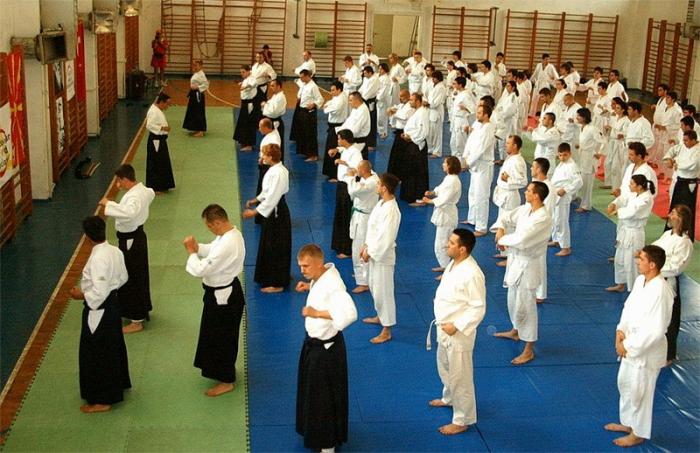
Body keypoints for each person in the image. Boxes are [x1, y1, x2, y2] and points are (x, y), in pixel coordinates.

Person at [605, 245, 673, 448]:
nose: (637, 260)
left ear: (652, 265)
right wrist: (620, 332)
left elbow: (656, 329)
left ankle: (639, 433)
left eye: (641, 258)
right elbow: (628, 308)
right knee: (625, 385)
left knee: (640, 392)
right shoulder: (641, 280)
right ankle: (628, 423)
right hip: (629, 342)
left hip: (645, 350)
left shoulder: (662, 291)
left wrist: (629, 347)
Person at [294, 244, 358, 452]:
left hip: (326, 352)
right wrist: (308, 286)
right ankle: (315, 432)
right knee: (313, 395)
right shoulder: (320, 277)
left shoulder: (334, 285)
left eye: (306, 266)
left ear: (319, 263)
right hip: (314, 346)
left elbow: (350, 314)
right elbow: (322, 294)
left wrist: (316, 313)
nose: (302, 270)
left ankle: (328, 444)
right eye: (300, 266)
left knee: (323, 399)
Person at [427, 228, 486, 435]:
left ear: (462, 249)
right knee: (444, 366)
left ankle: (462, 419)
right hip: (444, 327)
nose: (447, 245)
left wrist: (458, 326)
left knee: (460, 377)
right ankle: (449, 397)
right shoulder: (454, 264)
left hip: (458, 332)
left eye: (451, 243)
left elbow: (478, 307)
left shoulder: (472, 274)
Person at [69, 216, 130, 413]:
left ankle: (103, 400)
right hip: (113, 304)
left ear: (87, 237)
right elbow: (123, 278)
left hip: (99, 308)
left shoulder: (98, 258)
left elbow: (100, 291)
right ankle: (118, 384)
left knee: (96, 353)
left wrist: (82, 295)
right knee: (113, 346)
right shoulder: (115, 251)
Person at [183, 204, 246, 397]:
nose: (209, 229)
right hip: (220, 295)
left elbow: (201, 269)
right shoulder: (228, 235)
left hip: (224, 298)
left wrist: (192, 252)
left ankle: (226, 380)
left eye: (209, 226)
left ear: (217, 222)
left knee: (223, 338)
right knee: (214, 336)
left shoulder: (229, 242)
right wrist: (198, 247)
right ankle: (221, 371)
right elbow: (213, 248)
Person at [493, 182, 552, 365]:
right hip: (516, 262)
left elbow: (523, 239)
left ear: (536, 196)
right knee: (512, 301)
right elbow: (507, 215)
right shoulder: (527, 209)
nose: (525, 192)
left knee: (526, 306)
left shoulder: (542, 218)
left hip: (528, 264)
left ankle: (529, 349)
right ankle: (516, 330)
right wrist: (501, 228)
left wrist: (502, 239)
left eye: (528, 190)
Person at [99, 164, 155, 334]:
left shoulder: (134, 197)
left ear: (124, 179)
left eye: (119, 181)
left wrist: (109, 204)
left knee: (131, 276)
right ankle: (139, 309)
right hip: (137, 237)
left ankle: (136, 320)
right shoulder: (144, 190)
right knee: (136, 273)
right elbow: (151, 193)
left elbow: (130, 213)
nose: (118, 185)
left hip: (131, 240)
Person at [243, 144, 291, 292]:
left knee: (274, 245)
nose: (262, 157)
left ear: (271, 157)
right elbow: (267, 192)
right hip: (273, 211)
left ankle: (277, 283)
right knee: (270, 244)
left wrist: (255, 212)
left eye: (264, 155)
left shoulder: (278, 173)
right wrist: (256, 199)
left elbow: (273, 198)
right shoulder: (275, 170)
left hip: (276, 212)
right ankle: (272, 275)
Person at [361, 173, 401, 344]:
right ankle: (380, 316)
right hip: (373, 251)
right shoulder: (381, 203)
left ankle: (387, 329)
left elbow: (386, 237)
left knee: (384, 291)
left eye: (379, 184)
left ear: (384, 188)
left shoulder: (392, 210)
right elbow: (373, 229)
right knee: (374, 287)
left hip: (383, 256)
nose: (377, 186)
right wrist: (365, 245)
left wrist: (371, 252)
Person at [653, 205, 694, 365]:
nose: (669, 215)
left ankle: (669, 354)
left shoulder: (685, 242)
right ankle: (656, 347)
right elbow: (654, 249)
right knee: (656, 316)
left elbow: (676, 267)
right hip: (656, 278)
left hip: (668, 281)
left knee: (669, 318)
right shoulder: (667, 235)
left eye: (673, 214)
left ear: (681, 219)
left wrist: (656, 267)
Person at [606, 175, 655, 293]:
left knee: (632, 264)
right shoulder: (634, 194)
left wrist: (617, 211)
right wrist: (614, 204)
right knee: (619, 259)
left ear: (639, 186)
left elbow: (633, 212)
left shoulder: (646, 199)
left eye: (632, 184)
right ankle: (620, 284)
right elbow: (623, 198)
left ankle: (635, 290)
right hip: (625, 232)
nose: (629, 185)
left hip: (635, 234)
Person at [422, 156, 462, 274]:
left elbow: (445, 198)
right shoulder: (449, 178)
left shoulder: (453, 181)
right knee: (442, 242)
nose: (443, 164)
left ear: (450, 166)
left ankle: (447, 269)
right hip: (445, 213)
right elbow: (441, 190)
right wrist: (433, 192)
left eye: (445, 163)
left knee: (443, 243)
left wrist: (429, 201)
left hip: (447, 215)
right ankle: (445, 265)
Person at [328, 130, 364, 259]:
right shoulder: (347, 149)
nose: (338, 141)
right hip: (341, 185)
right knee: (340, 214)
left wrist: (344, 163)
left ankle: (347, 248)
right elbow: (341, 149)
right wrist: (336, 150)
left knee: (346, 215)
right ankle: (338, 244)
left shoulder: (356, 153)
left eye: (339, 139)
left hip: (348, 186)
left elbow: (358, 170)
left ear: (345, 139)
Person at [463, 104, 496, 236]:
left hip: (484, 164)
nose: (477, 115)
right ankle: (472, 219)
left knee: (481, 196)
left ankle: (481, 227)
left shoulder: (489, 128)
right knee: (472, 193)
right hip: (475, 164)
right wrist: (465, 157)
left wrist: (468, 162)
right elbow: (470, 141)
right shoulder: (477, 125)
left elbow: (481, 148)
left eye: (480, 113)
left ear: (487, 115)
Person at [663, 130, 699, 237]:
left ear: (693, 140)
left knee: (686, 210)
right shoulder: (683, 146)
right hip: (679, 180)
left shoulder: (698, 150)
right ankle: (670, 231)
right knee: (675, 207)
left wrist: (676, 162)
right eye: (683, 140)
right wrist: (669, 158)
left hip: (689, 183)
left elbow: (693, 164)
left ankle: (685, 233)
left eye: (686, 140)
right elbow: (673, 150)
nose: (684, 142)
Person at [550, 143, 583, 257]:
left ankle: (566, 247)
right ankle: (556, 240)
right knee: (555, 219)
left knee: (562, 221)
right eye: (560, 155)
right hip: (556, 193)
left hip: (563, 196)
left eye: (565, 155)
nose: (562, 157)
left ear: (570, 153)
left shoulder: (572, 166)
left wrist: (566, 189)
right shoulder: (562, 164)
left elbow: (579, 182)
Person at [531, 158, 554, 303]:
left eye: (533, 167)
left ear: (539, 169)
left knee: (539, 259)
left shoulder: (548, 188)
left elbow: (547, 210)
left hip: (541, 226)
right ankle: (535, 289)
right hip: (535, 224)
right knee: (534, 259)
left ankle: (540, 293)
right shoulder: (539, 185)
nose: (531, 169)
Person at [400, 93, 430, 204]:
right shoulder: (417, 112)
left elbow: (424, 132)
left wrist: (411, 138)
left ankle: (419, 197)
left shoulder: (423, 113)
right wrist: (406, 135)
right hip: (411, 144)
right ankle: (410, 194)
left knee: (418, 172)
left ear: (418, 101)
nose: (410, 102)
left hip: (417, 145)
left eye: (411, 100)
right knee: (409, 171)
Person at [492, 135, 528, 230]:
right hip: (504, 196)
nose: (505, 145)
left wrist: (508, 179)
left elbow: (523, 181)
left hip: (510, 198)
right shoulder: (511, 157)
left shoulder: (518, 161)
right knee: (502, 226)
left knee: (509, 227)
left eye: (508, 143)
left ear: (515, 146)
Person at [575, 108, 605, 213]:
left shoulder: (592, 129)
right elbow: (586, 141)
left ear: (584, 117)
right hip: (582, 156)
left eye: (579, 115)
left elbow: (603, 141)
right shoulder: (582, 127)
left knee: (587, 183)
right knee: (581, 179)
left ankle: (586, 205)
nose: (577, 117)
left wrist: (599, 153)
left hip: (589, 158)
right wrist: (580, 145)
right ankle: (580, 198)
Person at [145, 93, 175, 193]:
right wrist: (163, 128)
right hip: (156, 141)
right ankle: (155, 187)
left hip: (160, 139)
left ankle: (163, 184)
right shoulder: (154, 111)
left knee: (162, 162)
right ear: (161, 102)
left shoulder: (157, 110)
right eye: (167, 104)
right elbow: (149, 125)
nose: (167, 107)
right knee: (155, 163)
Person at [295, 70, 324, 162]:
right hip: (302, 110)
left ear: (308, 76)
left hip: (309, 112)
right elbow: (300, 94)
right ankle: (305, 152)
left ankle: (313, 155)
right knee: (303, 132)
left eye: (302, 77)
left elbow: (320, 99)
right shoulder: (304, 84)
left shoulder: (313, 86)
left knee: (310, 133)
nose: (301, 78)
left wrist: (314, 104)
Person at [386, 89, 415, 181]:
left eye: (402, 96)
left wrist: (394, 113)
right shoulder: (402, 105)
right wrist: (391, 110)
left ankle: (400, 176)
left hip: (404, 133)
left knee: (401, 155)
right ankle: (394, 175)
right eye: (399, 96)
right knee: (396, 155)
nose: (400, 98)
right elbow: (394, 108)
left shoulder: (410, 107)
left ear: (407, 96)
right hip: (398, 132)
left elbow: (404, 117)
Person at [322, 81, 349, 179]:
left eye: (333, 90)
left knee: (334, 149)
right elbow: (329, 103)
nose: (331, 92)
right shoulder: (337, 97)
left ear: (339, 90)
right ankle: (332, 173)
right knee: (331, 148)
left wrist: (326, 107)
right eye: (331, 90)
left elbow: (328, 109)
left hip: (337, 128)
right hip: (333, 126)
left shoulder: (341, 99)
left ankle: (335, 175)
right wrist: (328, 105)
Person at [605, 98, 630, 192]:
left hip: (619, 145)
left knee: (616, 166)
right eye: (615, 108)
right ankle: (609, 183)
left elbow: (625, 133)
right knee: (608, 163)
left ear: (623, 110)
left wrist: (617, 132)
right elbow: (612, 130)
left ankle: (617, 188)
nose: (615, 109)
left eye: (618, 108)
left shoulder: (626, 121)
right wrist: (608, 129)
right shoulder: (615, 118)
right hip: (612, 142)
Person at [337, 92, 370, 160]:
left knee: (357, 164)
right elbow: (348, 121)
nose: (349, 102)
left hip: (358, 141)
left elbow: (355, 130)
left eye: (350, 100)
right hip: (352, 137)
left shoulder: (362, 111)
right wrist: (340, 131)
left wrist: (343, 137)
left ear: (357, 100)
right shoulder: (356, 108)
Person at [233, 65, 259, 152]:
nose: (242, 74)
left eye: (243, 72)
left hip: (249, 105)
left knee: (249, 124)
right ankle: (244, 140)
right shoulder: (247, 79)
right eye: (241, 72)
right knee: (243, 123)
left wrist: (245, 86)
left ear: (249, 71)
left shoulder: (252, 78)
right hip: (244, 104)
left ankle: (249, 145)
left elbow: (253, 84)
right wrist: (242, 83)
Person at [493, 81, 519, 163]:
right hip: (503, 121)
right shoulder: (507, 96)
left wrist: (501, 115)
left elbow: (510, 110)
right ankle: (502, 158)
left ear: (513, 87)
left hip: (508, 121)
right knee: (502, 140)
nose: (506, 87)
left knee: (507, 139)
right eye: (506, 86)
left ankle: (507, 158)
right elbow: (501, 107)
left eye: (508, 86)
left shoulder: (513, 97)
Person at [450, 76, 475, 158]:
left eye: (455, 84)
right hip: (455, 119)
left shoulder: (466, 95)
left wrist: (465, 108)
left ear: (460, 85)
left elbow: (473, 109)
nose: (453, 85)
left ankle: (463, 161)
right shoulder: (459, 93)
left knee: (461, 142)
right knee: (453, 142)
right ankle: (455, 159)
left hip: (462, 120)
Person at [256, 118, 282, 198]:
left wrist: (262, 159)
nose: (259, 129)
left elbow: (272, 154)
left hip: (268, 166)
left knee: (266, 187)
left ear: (266, 128)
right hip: (266, 164)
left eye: (260, 127)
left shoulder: (273, 140)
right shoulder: (271, 133)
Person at [261, 78, 287, 157]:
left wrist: (265, 105)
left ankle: (276, 161)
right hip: (270, 121)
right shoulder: (275, 96)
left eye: (272, 86)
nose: (271, 87)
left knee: (275, 146)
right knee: (268, 143)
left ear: (278, 86)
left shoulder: (281, 97)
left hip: (275, 123)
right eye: (270, 86)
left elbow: (273, 112)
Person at [183, 60, 209, 137]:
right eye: (194, 65)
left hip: (198, 95)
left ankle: (201, 131)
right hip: (194, 94)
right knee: (193, 111)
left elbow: (206, 84)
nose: (194, 67)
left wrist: (197, 87)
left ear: (201, 66)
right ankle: (196, 128)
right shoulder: (197, 73)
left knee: (199, 111)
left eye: (196, 65)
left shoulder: (201, 74)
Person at [531, 112, 560, 178]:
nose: (542, 120)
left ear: (550, 121)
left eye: (544, 118)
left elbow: (542, 139)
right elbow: (536, 138)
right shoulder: (543, 130)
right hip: (539, 160)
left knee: (545, 184)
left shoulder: (554, 132)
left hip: (547, 162)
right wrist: (534, 133)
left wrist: (533, 132)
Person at [426, 70, 447, 158]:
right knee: (431, 131)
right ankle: (430, 149)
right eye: (432, 78)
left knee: (437, 133)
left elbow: (437, 101)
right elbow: (428, 96)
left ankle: (437, 152)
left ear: (438, 78)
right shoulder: (434, 86)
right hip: (431, 110)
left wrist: (429, 104)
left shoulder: (441, 87)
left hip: (437, 110)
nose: (433, 79)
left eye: (434, 78)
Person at [358, 66, 380, 150]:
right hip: (364, 100)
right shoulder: (366, 78)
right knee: (365, 121)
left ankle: (371, 143)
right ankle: (365, 140)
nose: (364, 74)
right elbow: (362, 88)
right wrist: (357, 94)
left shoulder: (374, 80)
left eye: (365, 73)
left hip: (370, 101)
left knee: (371, 121)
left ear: (370, 73)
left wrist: (361, 99)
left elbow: (369, 92)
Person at [376, 63, 392, 140]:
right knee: (379, 116)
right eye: (379, 69)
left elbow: (384, 90)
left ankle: (384, 132)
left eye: (381, 69)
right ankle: (380, 131)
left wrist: (378, 98)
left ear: (385, 70)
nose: (379, 70)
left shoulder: (386, 78)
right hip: (379, 99)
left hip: (382, 100)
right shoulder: (380, 77)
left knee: (382, 117)